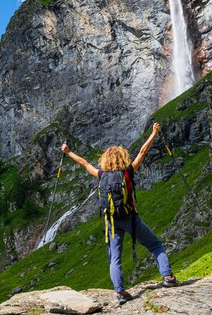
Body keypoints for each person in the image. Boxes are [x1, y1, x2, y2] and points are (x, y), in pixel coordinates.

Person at [60, 122, 178, 304]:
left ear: (105, 160)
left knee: (115, 257)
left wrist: (68, 152)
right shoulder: (128, 172)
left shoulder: (101, 175)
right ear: (123, 158)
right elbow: (142, 152)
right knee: (155, 245)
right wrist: (154, 133)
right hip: (131, 218)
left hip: (112, 221)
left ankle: (120, 292)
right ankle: (168, 277)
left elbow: (84, 163)